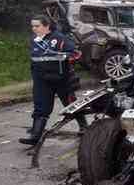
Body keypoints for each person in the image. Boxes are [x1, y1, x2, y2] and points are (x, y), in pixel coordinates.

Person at [20, 16, 86, 145]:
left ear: (47, 26)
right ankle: (35, 136)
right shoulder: (34, 40)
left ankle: (84, 127)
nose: (34, 29)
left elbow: (76, 53)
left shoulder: (60, 38)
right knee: (40, 107)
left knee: (71, 104)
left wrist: (64, 56)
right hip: (42, 80)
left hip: (61, 79)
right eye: (32, 26)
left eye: (37, 26)